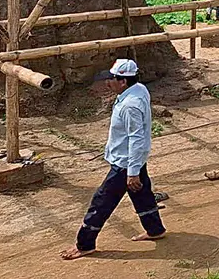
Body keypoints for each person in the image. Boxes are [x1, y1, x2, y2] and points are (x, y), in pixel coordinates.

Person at [60, 59, 166, 260]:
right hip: (133, 159)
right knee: (142, 194)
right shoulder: (139, 89)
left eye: (112, 79)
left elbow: (136, 138)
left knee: (101, 202)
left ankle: (85, 244)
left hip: (125, 164)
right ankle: (155, 229)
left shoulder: (130, 106)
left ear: (123, 82)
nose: (108, 82)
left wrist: (132, 172)